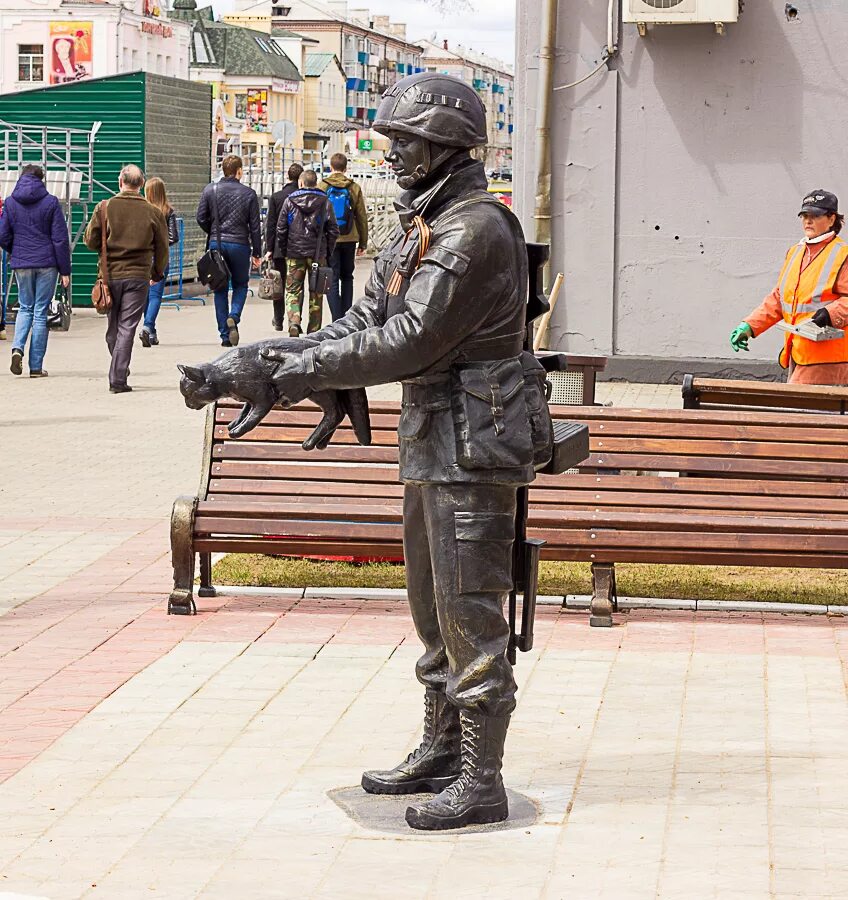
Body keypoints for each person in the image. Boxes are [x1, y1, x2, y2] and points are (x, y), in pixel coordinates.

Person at [261, 73, 540, 830]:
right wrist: (266, 358)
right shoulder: (422, 220)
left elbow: (411, 338)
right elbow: (363, 319)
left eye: (402, 141)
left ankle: (482, 781)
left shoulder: (475, 229)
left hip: (472, 447)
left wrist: (300, 374)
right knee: (432, 608)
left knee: (471, 611)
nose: (388, 155)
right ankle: (443, 748)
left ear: (445, 145)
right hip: (432, 439)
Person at [731, 189, 848, 385]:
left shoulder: (843, 254)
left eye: (815, 215)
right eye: (805, 215)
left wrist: (829, 313)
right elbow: (779, 298)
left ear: (831, 219)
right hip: (798, 352)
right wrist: (750, 325)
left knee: (801, 413)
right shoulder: (795, 252)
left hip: (828, 358)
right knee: (799, 412)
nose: (808, 221)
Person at [84, 164, 168, 393]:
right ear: (141, 185)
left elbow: (90, 241)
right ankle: (119, 375)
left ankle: (118, 370)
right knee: (127, 328)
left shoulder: (104, 208)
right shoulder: (153, 212)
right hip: (138, 276)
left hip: (110, 277)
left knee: (114, 329)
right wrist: (157, 273)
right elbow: (162, 247)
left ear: (120, 182)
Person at [0, 165, 71, 377]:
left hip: (22, 263)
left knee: (24, 307)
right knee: (40, 312)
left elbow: (2, 235)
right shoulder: (50, 202)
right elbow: (60, 239)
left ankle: (17, 349)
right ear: (42, 180)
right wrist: (65, 270)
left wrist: (17, 250)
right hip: (47, 263)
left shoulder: (11, 202)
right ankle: (36, 367)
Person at [196, 154, 261, 347]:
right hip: (240, 245)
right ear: (239, 171)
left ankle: (224, 336)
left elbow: (200, 217)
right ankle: (234, 316)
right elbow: (255, 226)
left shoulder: (210, 190)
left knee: (220, 289)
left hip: (217, 244)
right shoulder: (249, 194)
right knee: (241, 285)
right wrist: (257, 253)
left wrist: (214, 231)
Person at [275, 169, 338, 336]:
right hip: (318, 254)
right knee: (317, 292)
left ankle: (294, 321)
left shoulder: (289, 201)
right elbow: (333, 230)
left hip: (294, 253)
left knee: (293, 290)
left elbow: (281, 229)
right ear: (315, 183)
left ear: (300, 183)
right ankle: (314, 330)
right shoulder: (325, 202)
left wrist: (284, 249)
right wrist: (327, 251)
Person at [320, 153, 368, 320]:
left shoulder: (323, 187)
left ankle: (336, 318)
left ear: (331, 167)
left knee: (332, 279)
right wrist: (363, 242)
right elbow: (361, 216)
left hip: (330, 239)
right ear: (346, 168)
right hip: (350, 238)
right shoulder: (353, 187)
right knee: (347, 277)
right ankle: (346, 318)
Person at [139, 176, 179, 347]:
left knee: (145, 296)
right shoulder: (168, 211)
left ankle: (150, 329)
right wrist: (161, 244)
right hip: (161, 257)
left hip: (143, 257)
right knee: (156, 295)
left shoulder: (142, 210)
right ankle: (149, 328)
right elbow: (173, 237)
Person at [265, 162, 304, 331]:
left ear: (287, 177)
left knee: (278, 284)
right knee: (296, 286)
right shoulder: (304, 196)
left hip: (280, 249)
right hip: (299, 248)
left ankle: (278, 319)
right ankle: (295, 319)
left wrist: (269, 248)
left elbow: (271, 224)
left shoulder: (277, 197)